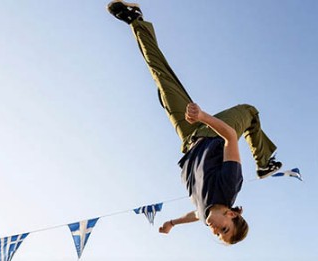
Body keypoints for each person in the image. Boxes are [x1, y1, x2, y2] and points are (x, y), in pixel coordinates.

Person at [107, 1, 283, 244]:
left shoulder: (205, 212)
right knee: (250, 112)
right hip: (211, 131)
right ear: (231, 214)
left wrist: (173, 223)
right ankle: (264, 163)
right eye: (224, 229)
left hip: (188, 136)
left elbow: (196, 215)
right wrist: (203, 117)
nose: (215, 231)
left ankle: (135, 20)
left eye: (217, 235)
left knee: (161, 77)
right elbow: (230, 137)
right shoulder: (229, 187)